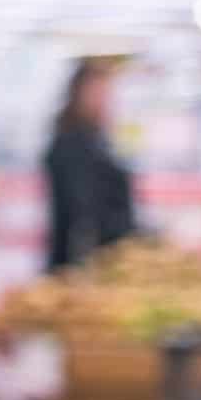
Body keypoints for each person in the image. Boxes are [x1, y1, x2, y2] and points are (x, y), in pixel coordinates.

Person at [44, 60, 136, 271]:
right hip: (90, 258)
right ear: (78, 93)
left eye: (106, 93)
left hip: (107, 253)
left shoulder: (97, 140)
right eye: (97, 93)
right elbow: (81, 211)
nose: (103, 100)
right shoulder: (71, 144)